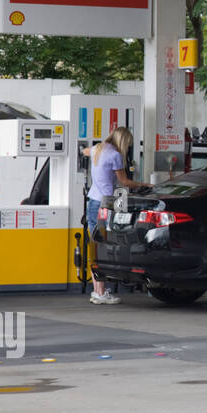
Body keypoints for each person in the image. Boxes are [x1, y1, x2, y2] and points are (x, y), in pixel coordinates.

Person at [87, 127, 141, 304]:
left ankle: (97, 291)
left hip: (92, 201)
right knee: (104, 245)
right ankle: (101, 293)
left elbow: (84, 150)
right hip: (107, 203)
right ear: (123, 141)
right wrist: (145, 184)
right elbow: (124, 182)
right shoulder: (116, 156)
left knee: (95, 245)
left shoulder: (97, 149)